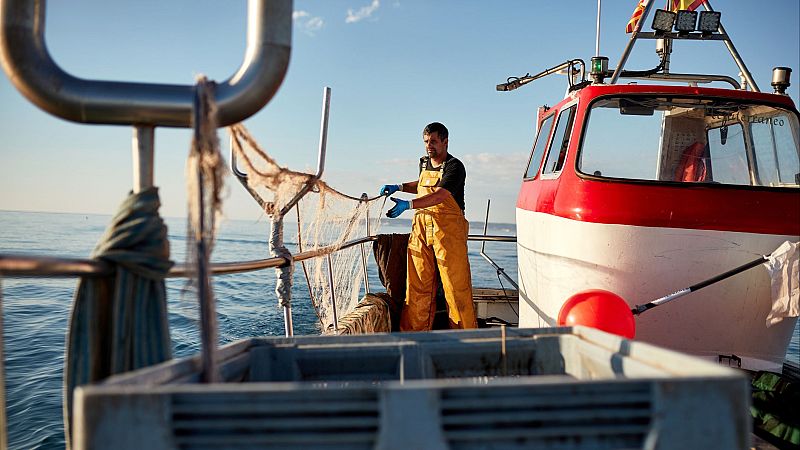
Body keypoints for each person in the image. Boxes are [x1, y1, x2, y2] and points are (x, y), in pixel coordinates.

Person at [378, 122, 477, 331]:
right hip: (421, 230)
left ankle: (466, 338)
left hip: (448, 232)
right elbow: (422, 184)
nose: (428, 146)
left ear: (445, 141)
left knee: (455, 288)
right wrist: (399, 187)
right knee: (417, 287)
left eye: (433, 141)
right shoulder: (423, 163)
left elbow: (440, 194)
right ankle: (414, 336)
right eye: (425, 142)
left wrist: (409, 205)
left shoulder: (454, 167)